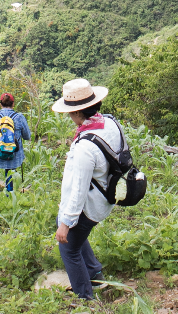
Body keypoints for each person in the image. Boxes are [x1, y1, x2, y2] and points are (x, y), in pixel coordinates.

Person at [52, 76, 124, 300]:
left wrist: (66, 222)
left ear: (76, 113)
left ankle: (85, 297)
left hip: (90, 203)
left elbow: (79, 190)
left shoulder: (85, 146)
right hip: (106, 194)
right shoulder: (110, 123)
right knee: (76, 236)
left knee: (69, 248)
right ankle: (94, 273)